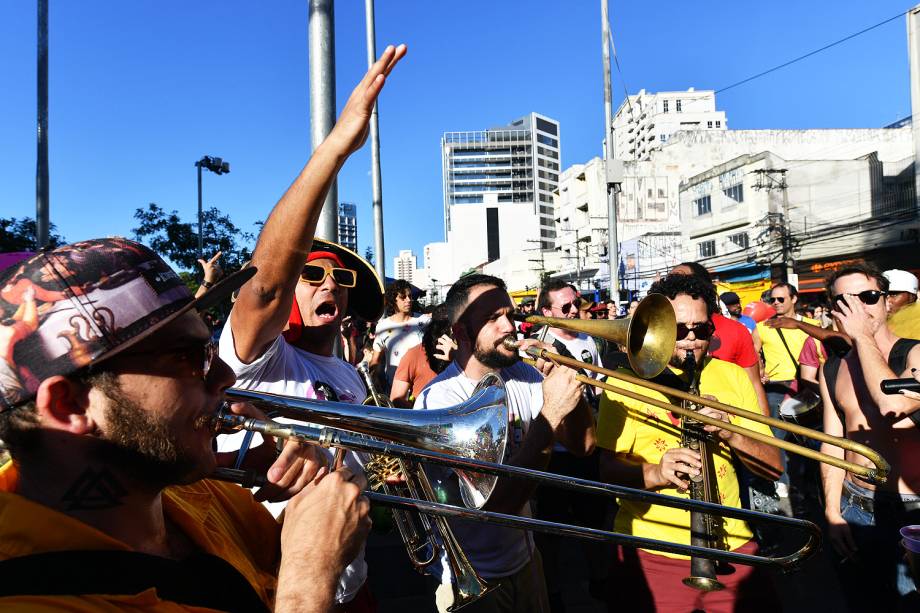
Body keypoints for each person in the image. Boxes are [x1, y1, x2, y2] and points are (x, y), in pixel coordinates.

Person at [0, 238, 371, 612]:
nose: (226, 376)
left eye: (208, 349)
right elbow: (301, 574)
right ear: (70, 406)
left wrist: (316, 496)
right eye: (188, 357)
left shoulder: (196, 494)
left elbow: (279, 563)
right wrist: (309, 578)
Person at [215, 43, 406, 610]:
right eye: (311, 273)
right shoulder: (259, 355)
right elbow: (265, 286)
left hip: (352, 586)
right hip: (275, 588)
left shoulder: (347, 370)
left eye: (340, 278)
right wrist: (338, 147)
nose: (329, 283)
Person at [597, 273, 781, 613]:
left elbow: (772, 467)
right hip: (652, 548)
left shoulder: (732, 376)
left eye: (702, 330)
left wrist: (730, 431)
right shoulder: (625, 382)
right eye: (679, 330)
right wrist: (656, 472)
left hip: (733, 543)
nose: (691, 340)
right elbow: (605, 471)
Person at [415, 273, 594, 613]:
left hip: (525, 559)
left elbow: (583, 445)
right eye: (492, 319)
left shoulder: (522, 374)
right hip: (472, 576)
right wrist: (550, 415)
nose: (509, 326)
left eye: (509, 315)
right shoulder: (440, 400)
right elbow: (498, 505)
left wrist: (568, 377)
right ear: (462, 333)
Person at [820, 264, 920, 610]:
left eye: (868, 297)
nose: (860, 308)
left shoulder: (914, 354)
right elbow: (833, 442)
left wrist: (862, 336)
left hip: (911, 511)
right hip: (856, 505)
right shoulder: (832, 367)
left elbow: (891, 405)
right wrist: (833, 510)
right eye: (846, 301)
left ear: (886, 302)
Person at [533, 280, 607, 610]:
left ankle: (600, 581)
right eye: (565, 308)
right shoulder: (538, 348)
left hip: (589, 442)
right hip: (556, 451)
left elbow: (600, 386)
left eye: (575, 304)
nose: (575, 311)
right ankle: (554, 592)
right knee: (552, 531)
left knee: (594, 522)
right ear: (547, 313)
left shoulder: (588, 340)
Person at [389, 305, 456, 408]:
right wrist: (419, 411)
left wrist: (456, 356)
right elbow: (396, 399)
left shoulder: (463, 353)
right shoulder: (413, 354)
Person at [370, 279, 429, 393]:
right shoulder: (383, 326)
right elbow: (375, 360)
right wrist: (375, 380)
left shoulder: (424, 321)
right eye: (403, 297)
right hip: (393, 389)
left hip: (421, 388)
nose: (408, 300)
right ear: (394, 300)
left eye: (410, 296)